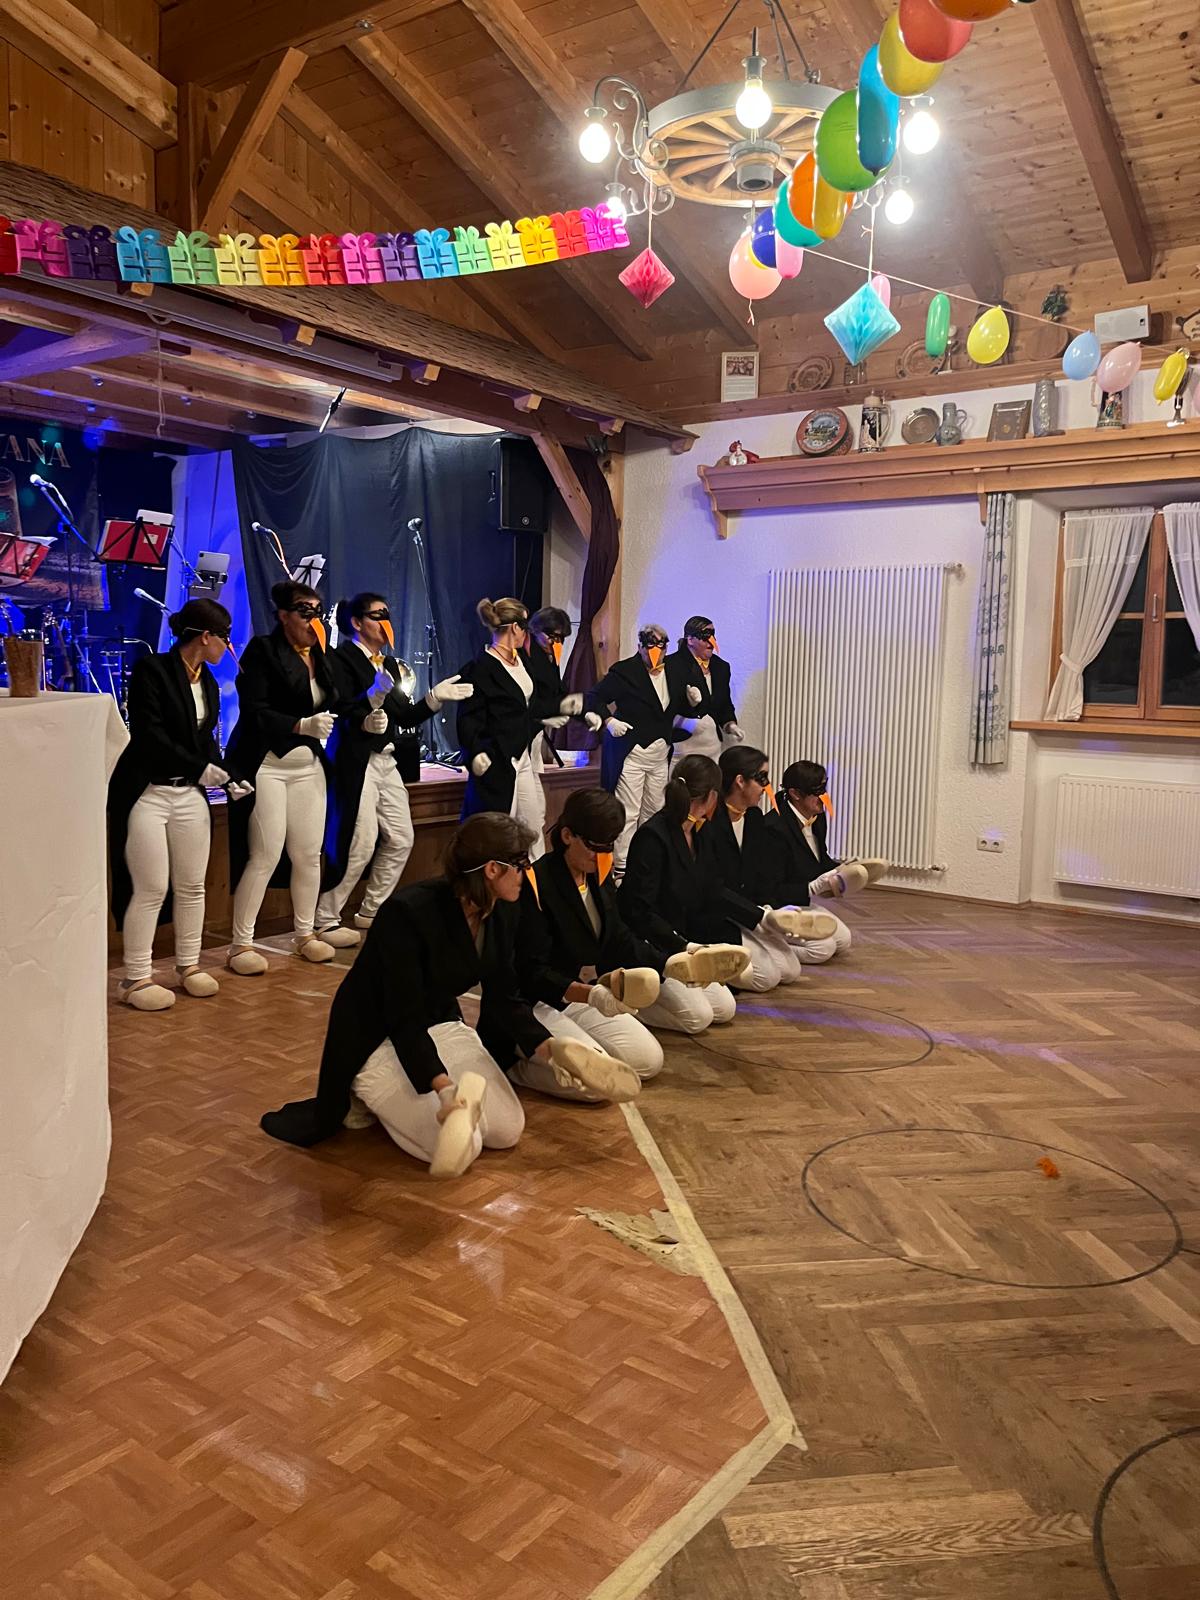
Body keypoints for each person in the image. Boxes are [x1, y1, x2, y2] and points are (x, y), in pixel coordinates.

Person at [260, 814, 643, 1176]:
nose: (527, 872)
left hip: (439, 1019)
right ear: (492, 870)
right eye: (520, 863)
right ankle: (362, 1091)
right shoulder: (407, 913)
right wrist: (442, 1087)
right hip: (377, 1032)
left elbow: (504, 994)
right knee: (463, 1145)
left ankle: (429, 1097)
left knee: (506, 1131)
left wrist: (550, 1049)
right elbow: (403, 1015)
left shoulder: (502, 910)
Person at [316, 591, 473, 942]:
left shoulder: (387, 663)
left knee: (402, 837)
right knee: (359, 840)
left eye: (387, 613)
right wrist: (368, 704)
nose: (386, 621)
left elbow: (404, 715)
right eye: (377, 615)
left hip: (386, 761)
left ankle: (372, 910)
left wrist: (434, 698)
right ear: (357, 623)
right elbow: (341, 706)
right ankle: (325, 917)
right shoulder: (341, 658)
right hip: (355, 760)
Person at [108, 598, 238, 1011]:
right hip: (149, 793)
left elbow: (206, 740)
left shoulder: (209, 682)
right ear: (206, 636)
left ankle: (188, 965)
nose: (228, 646)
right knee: (150, 887)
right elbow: (150, 735)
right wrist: (201, 768)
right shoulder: (153, 670)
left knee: (192, 886)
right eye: (225, 637)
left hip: (188, 796)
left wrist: (229, 775)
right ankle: (135, 977)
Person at [224, 579, 341, 974]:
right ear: (284, 615)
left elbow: (338, 697)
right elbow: (255, 710)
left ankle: (304, 933)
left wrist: (374, 697)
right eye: (305, 611)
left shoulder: (322, 653)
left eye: (318, 611)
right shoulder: (263, 650)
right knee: (265, 854)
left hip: (308, 767)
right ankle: (241, 943)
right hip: (268, 764)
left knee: (308, 854)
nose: (313, 620)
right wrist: (299, 725)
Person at [618, 753, 761, 1029]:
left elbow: (711, 888)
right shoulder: (653, 837)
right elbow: (639, 913)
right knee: (699, 1018)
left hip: (686, 943)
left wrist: (757, 918)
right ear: (711, 796)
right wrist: (682, 946)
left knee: (724, 1008)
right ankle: (630, 1002)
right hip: (655, 947)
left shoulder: (699, 831)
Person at [702, 746, 839, 990]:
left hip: (752, 909)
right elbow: (714, 889)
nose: (768, 787)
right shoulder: (710, 823)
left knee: (790, 970)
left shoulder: (754, 818)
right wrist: (761, 917)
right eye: (762, 778)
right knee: (766, 978)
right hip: (720, 915)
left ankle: (755, 951)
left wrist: (771, 911)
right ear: (740, 781)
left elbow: (760, 875)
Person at [456, 597, 554, 859]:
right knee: (499, 831)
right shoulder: (480, 668)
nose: (527, 634)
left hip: (522, 753)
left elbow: (530, 702)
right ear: (515, 627)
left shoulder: (522, 660)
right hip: (497, 757)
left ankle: (536, 880)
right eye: (525, 627)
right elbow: (468, 718)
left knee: (532, 825)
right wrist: (475, 752)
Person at [763, 760, 887, 964]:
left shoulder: (817, 817)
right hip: (777, 906)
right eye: (818, 790)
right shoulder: (773, 828)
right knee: (822, 949)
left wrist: (845, 870)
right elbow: (771, 889)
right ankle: (767, 944)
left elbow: (818, 862)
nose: (824, 796)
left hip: (800, 901)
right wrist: (813, 888)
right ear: (795, 793)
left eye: (824, 788)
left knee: (842, 941)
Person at [586, 622, 682, 875]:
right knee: (628, 812)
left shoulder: (673, 672)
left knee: (655, 810)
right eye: (650, 644)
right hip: (632, 753)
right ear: (640, 646)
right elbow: (594, 697)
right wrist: (609, 720)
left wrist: (693, 702)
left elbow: (679, 705)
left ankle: (648, 863)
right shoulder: (625, 671)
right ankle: (621, 867)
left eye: (661, 645)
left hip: (660, 753)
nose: (656, 650)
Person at [665, 615, 745, 763]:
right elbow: (665, 706)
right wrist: (689, 716)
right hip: (681, 748)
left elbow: (724, 704)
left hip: (712, 748)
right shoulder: (671, 665)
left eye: (713, 635)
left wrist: (731, 725)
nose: (711, 641)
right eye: (705, 636)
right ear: (690, 639)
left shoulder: (721, 667)